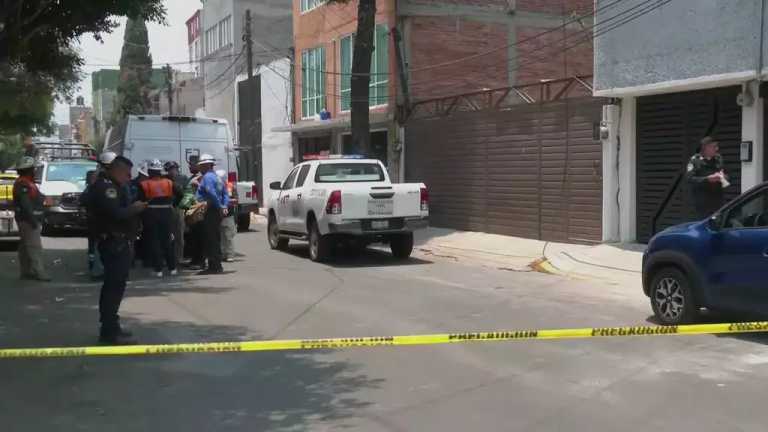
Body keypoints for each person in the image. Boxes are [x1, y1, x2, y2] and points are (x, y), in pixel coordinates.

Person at [86, 155, 147, 345]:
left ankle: (112, 326)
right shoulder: (107, 188)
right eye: (127, 174)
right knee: (113, 287)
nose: (129, 178)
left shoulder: (110, 185)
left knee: (116, 286)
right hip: (113, 242)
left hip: (118, 241)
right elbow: (115, 214)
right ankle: (109, 332)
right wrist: (135, 208)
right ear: (117, 171)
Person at [137, 159, 180, 277]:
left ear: (150, 171)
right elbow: (181, 193)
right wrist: (173, 204)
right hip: (166, 213)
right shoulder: (169, 183)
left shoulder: (144, 184)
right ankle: (172, 268)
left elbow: (140, 200)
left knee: (154, 241)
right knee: (168, 240)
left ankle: (158, 270)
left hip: (151, 214)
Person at [12, 156, 50, 281]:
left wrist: (44, 199)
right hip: (27, 220)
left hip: (27, 219)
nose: (35, 170)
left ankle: (26, 271)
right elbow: (25, 204)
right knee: (34, 246)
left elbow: (36, 197)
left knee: (25, 246)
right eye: (33, 168)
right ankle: (39, 272)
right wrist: (33, 220)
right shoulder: (23, 184)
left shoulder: (28, 182)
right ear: (28, 170)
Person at [195, 154, 229, 275]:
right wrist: (224, 205)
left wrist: (220, 206)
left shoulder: (207, 177)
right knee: (215, 238)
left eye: (201, 166)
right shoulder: (217, 177)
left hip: (210, 210)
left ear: (206, 165)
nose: (199, 168)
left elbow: (211, 193)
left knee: (211, 239)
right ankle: (215, 264)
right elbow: (225, 193)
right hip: (216, 210)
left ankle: (214, 266)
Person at [686, 136, 729, 219]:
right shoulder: (695, 160)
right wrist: (707, 179)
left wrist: (724, 177)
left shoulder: (718, 158)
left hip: (718, 201)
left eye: (717, 146)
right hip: (702, 203)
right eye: (714, 146)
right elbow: (689, 179)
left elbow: (727, 174)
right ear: (705, 147)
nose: (717, 149)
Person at [81, 170, 104, 280]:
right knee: (94, 246)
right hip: (95, 222)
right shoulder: (91, 189)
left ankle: (95, 269)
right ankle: (95, 270)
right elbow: (83, 201)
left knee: (95, 246)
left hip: (96, 221)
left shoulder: (91, 189)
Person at [164, 161, 188, 264]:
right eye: (169, 169)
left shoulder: (183, 178)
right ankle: (167, 258)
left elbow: (185, 193)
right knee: (167, 235)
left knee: (179, 235)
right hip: (166, 209)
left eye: (173, 169)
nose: (171, 171)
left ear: (177, 169)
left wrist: (173, 183)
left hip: (178, 208)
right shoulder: (164, 179)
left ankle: (179, 257)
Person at [184, 156, 206, 268]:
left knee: (199, 236)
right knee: (193, 237)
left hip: (199, 210)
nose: (189, 166)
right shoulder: (194, 177)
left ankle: (200, 261)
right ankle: (194, 260)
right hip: (192, 210)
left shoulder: (202, 178)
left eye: (191, 164)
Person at [217, 169, 237, 262]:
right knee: (220, 236)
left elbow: (236, 200)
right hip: (218, 215)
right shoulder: (215, 187)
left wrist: (226, 201)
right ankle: (222, 253)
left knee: (228, 236)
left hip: (228, 215)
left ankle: (230, 255)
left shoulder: (231, 187)